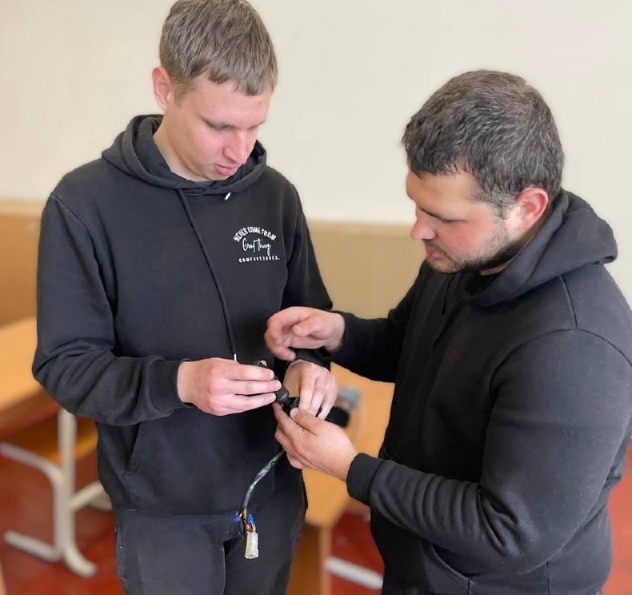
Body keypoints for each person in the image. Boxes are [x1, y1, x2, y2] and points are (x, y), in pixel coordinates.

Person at [266, 70, 632, 595]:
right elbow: (407, 344)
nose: (419, 229)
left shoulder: (575, 346)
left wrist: (350, 468)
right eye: (417, 205)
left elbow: (508, 531)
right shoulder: (464, 257)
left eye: (443, 216)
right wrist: (337, 332)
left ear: (527, 207)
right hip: (425, 563)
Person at [33, 0, 337, 595]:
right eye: (219, 125)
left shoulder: (275, 196)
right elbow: (65, 367)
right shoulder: (84, 205)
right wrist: (180, 383)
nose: (239, 151)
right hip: (161, 511)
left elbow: (311, 322)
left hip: (270, 490)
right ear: (164, 89)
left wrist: (310, 367)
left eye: (255, 125)